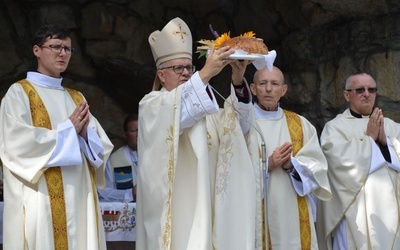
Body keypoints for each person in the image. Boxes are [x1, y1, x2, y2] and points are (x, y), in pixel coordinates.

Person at [136, 17, 261, 250]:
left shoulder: (206, 107)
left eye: (188, 67)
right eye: (177, 68)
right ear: (161, 76)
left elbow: (238, 129)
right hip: (179, 213)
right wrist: (204, 74)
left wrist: (237, 79)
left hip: (210, 210)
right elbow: (175, 115)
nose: (185, 73)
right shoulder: (152, 105)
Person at [0, 24, 113, 249]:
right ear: (36, 50)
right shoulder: (19, 93)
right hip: (40, 200)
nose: (62, 53)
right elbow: (16, 145)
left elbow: (101, 147)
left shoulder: (75, 97)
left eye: (68, 49)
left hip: (79, 199)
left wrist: (84, 136)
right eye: (55, 47)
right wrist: (68, 130)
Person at [249, 66, 331, 249]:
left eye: (274, 83)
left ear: (283, 90)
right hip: (255, 214)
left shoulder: (300, 124)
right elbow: (231, 170)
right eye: (263, 83)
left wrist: (291, 166)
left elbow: (318, 168)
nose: (269, 89)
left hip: (293, 214)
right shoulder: (243, 124)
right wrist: (267, 164)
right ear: (253, 89)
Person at [318, 72, 400, 249]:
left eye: (371, 89)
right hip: (354, 215)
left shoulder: (391, 126)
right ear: (347, 95)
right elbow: (338, 162)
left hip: (391, 212)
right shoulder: (335, 128)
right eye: (360, 90)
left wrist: (386, 142)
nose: (366, 94)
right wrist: (369, 140)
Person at [98, 114, 138, 202]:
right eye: (134, 131)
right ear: (125, 134)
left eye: (141, 130)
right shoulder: (114, 160)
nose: (138, 134)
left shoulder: (156, 156)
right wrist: (130, 193)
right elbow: (104, 193)